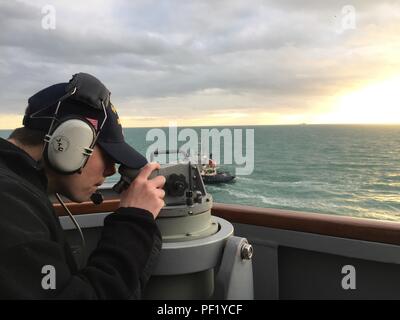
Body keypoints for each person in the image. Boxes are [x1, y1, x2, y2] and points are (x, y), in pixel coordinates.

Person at [0, 73, 166, 299]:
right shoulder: (9, 209)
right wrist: (135, 220)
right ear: (68, 141)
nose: (111, 171)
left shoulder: (18, 190)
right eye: (108, 156)